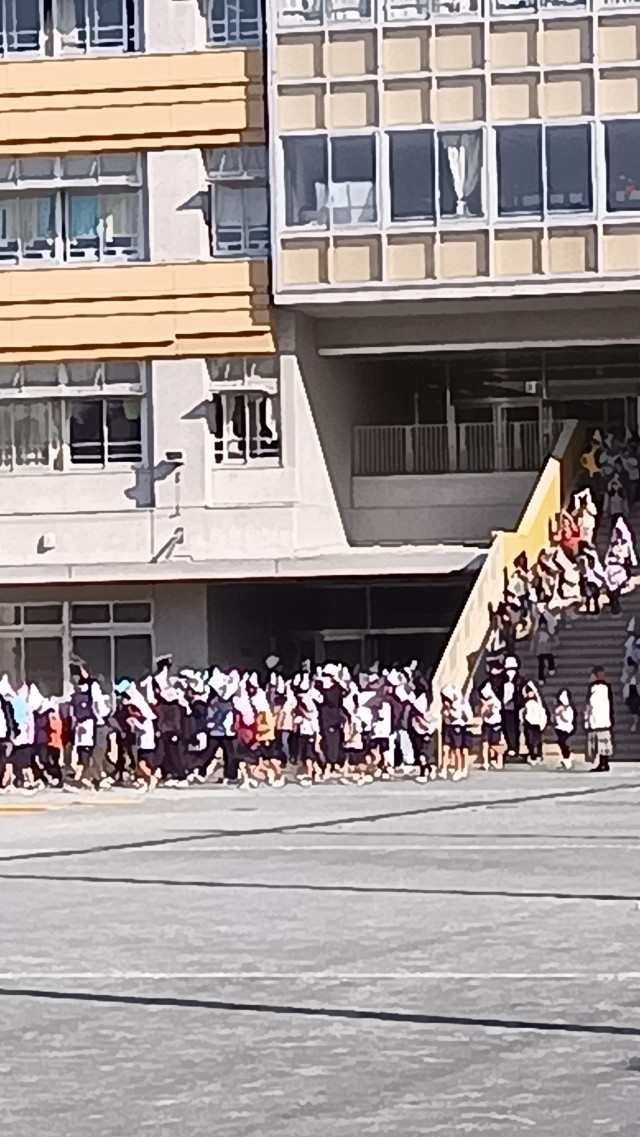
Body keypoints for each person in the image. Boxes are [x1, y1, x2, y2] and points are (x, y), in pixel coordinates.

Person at [585, 666, 615, 772]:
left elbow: (591, 704)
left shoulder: (596, 687)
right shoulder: (606, 686)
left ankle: (603, 764)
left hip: (598, 719)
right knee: (604, 743)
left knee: (600, 743)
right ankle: (604, 763)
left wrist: (588, 718)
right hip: (604, 719)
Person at [440, 685, 473, 781]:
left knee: (457, 750)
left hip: (458, 727)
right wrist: (446, 713)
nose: (445, 701)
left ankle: (459, 769)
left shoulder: (461, 705)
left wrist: (456, 714)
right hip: (448, 727)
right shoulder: (445, 707)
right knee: (446, 748)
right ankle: (444, 769)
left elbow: (466, 717)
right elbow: (445, 717)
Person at [496, 656, 524, 761]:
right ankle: (511, 746)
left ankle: (515, 747)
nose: (510, 672)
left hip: (516, 708)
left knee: (515, 729)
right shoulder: (502, 681)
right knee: (507, 728)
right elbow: (499, 692)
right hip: (505, 708)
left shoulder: (519, 681)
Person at [477, 681, 503, 771]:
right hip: (487, 723)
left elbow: (489, 711)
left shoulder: (496, 701)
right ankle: (485, 762)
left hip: (496, 723)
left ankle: (497, 761)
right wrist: (484, 705)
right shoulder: (484, 701)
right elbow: (482, 713)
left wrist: (486, 705)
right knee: (485, 743)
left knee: (495, 744)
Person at [522, 681, 547, 766]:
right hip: (528, 724)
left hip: (537, 724)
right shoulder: (526, 702)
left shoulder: (538, 702)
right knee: (530, 741)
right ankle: (532, 755)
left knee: (538, 741)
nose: (530, 694)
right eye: (529, 692)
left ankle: (539, 755)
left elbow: (538, 695)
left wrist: (533, 687)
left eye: (531, 692)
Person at [533, 604, 558, 685]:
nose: (543, 626)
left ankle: (551, 668)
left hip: (547, 650)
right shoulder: (538, 633)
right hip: (540, 651)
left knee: (550, 658)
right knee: (541, 665)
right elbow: (535, 642)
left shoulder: (548, 633)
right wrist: (534, 649)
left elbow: (552, 639)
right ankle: (541, 678)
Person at [578, 542, 605, 615]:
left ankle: (591, 608)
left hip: (591, 579)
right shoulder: (589, 557)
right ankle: (593, 608)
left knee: (591, 596)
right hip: (591, 579)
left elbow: (583, 570)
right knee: (592, 596)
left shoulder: (587, 557)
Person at [552, 689, 575, 770]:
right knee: (561, 743)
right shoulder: (558, 708)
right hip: (559, 728)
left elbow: (568, 719)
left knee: (562, 742)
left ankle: (567, 759)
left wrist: (561, 714)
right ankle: (565, 759)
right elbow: (554, 717)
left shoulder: (569, 709)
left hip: (566, 728)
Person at [623, 661, 640, 733]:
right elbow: (625, 686)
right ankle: (635, 724)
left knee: (635, 710)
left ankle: (635, 724)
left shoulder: (637, 675)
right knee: (634, 710)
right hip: (631, 694)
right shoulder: (627, 675)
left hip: (636, 693)